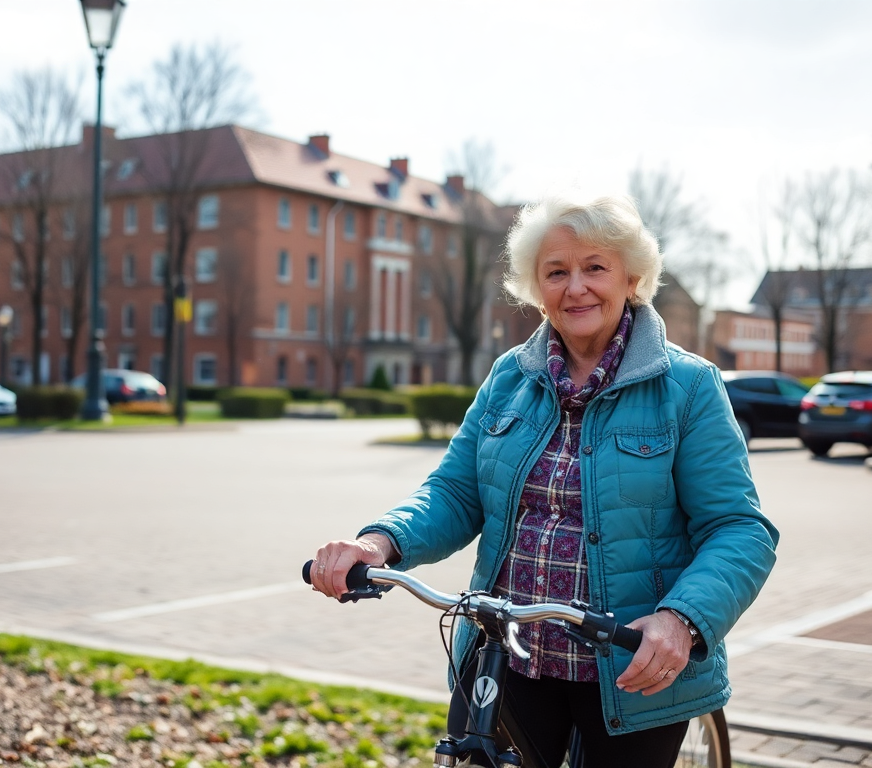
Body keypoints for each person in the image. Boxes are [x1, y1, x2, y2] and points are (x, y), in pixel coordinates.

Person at [310, 193, 778, 768]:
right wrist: (377, 543)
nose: (575, 287)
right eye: (556, 271)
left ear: (631, 277)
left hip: (629, 670)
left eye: (595, 267)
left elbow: (739, 530)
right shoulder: (510, 377)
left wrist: (681, 619)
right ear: (538, 286)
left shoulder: (688, 386)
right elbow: (456, 491)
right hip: (504, 657)